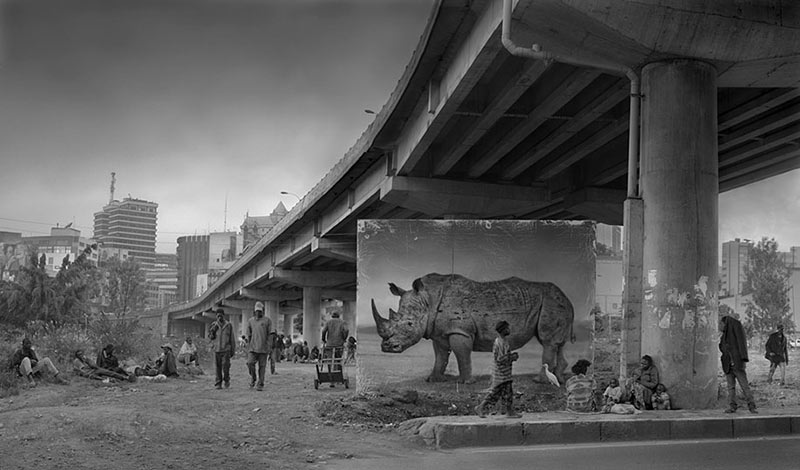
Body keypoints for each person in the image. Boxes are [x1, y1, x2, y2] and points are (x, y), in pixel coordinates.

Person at [475, 320, 521, 418]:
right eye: (508, 328)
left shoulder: (502, 341)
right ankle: (481, 407)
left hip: (504, 373)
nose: (509, 329)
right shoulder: (501, 343)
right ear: (503, 330)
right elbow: (500, 359)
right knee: (497, 392)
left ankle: (509, 411)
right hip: (502, 373)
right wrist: (512, 357)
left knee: (506, 392)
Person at [719, 314, 757, 413]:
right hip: (728, 366)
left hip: (737, 365)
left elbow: (741, 344)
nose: (720, 326)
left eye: (721, 324)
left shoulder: (732, 334)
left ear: (725, 324)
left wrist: (741, 359)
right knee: (730, 387)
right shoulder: (725, 336)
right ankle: (732, 406)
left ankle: (751, 405)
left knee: (744, 386)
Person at [246, 301, 273, 391]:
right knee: (250, 363)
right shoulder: (250, 321)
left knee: (262, 367)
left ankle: (260, 384)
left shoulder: (267, 321)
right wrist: (248, 345)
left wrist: (269, 346)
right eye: (257, 311)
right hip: (253, 348)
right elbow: (248, 334)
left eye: (260, 311)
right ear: (254, 311)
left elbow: (270, 334)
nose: (258, 313)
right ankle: (253, 377)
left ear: (263, 311)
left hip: (263, 348)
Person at [209, 308, 235, 389]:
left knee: (226, 367)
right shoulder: (213, 325)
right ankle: (218, 383)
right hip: (217, 349)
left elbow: (232, 339)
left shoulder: (228, 325)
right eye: (218, 316)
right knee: (218, 367)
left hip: (226, 349)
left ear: (223, 315)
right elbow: (210, 337)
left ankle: (226, 380)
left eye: (221, 316)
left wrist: (232, 351)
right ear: (216, 316)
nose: (219, 318)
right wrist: (212, 332)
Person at [321, 311, 349, 380]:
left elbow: (323, 331)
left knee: (330, 361)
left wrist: (323, 339)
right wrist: (344, 338)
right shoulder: (342, 322)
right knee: (338, 360)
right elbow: (346, 330)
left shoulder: (328, 322)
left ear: (332, 316)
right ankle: (338, 377)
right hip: (339, 344)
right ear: (339, 316)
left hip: (329, 344)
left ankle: (331, 377)